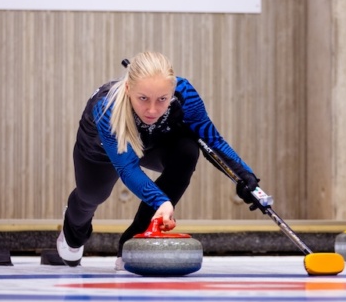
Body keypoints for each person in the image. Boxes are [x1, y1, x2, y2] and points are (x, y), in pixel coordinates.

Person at [56, 51, 260, 269]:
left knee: (187, 150)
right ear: (128, 88)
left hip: (151, 142)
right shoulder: (106, 107)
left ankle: (134, 240)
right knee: (92, 196)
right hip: (100, 152)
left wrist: (244, 176)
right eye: (143, 98)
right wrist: (161, 202)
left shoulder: (184, 94)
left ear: (172, 90)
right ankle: (73, 231)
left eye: (162, 99)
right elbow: (127, 167)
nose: (152, 110)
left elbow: (212, 140)